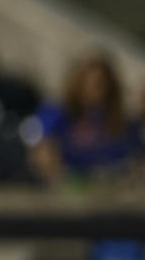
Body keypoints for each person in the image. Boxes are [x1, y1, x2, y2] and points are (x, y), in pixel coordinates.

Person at [29, 54, 137, 184]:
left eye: (98, 84)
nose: (92, 90)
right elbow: (41, 152)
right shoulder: (58, 113)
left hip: (111, 186)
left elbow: (131, 158)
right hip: (69, 185)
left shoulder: (119, 120)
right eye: (87, 83)